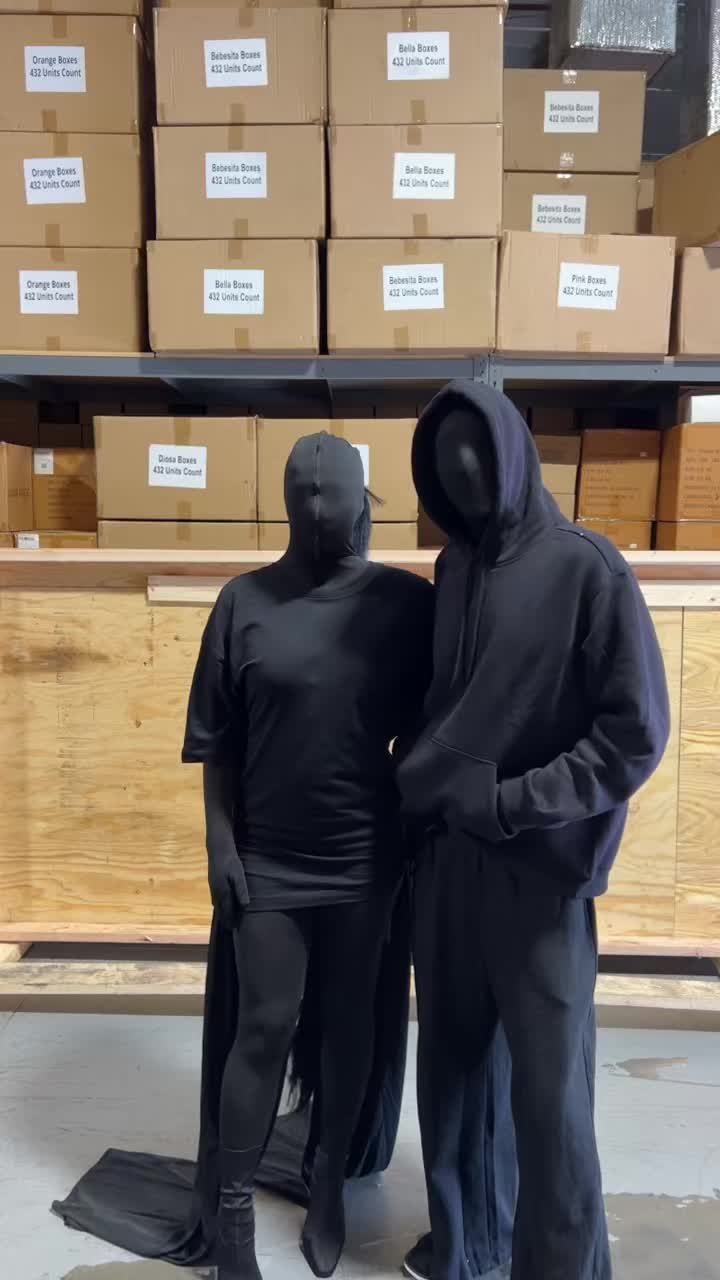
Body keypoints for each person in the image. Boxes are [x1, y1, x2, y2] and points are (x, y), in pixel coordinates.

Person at [397, 382, 670, 1280]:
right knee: (452, 1074)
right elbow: (444, 703)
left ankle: (560, 1267)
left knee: (553, 1102)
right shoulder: (454, 570)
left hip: (540, 878)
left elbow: (634, 733)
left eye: (478, 458)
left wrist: (515, 801)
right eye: (444, 469)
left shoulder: (588, 569)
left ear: (515, 455)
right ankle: (468, 1242)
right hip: (447, 867)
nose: (464, 479)